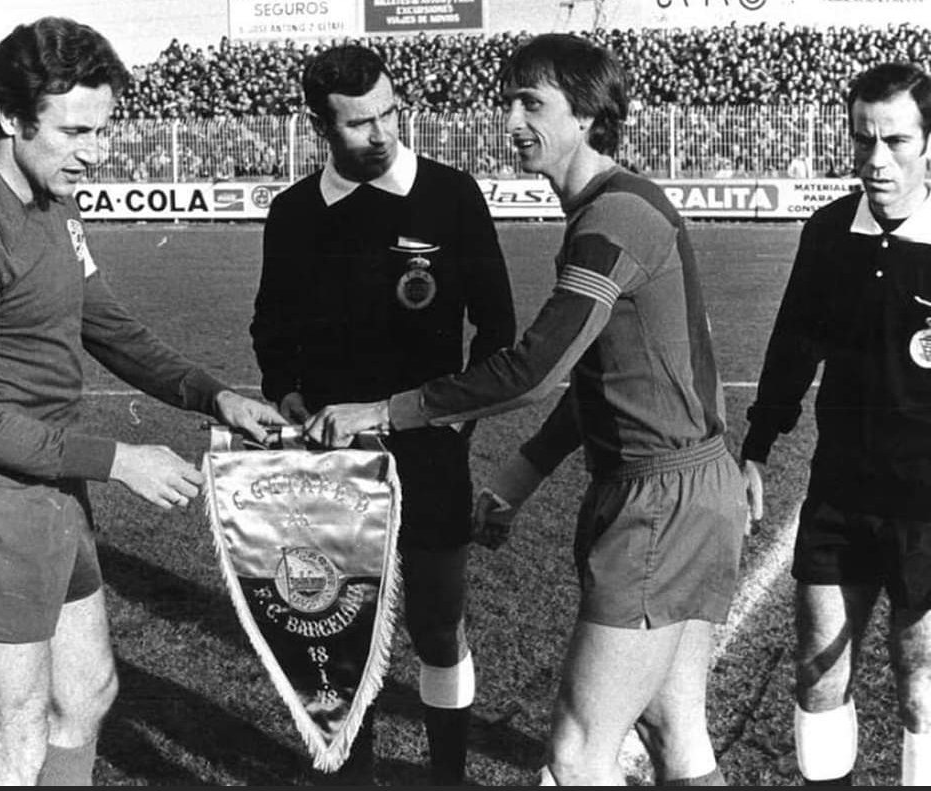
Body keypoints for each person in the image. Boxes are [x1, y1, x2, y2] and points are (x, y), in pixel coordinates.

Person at [303, 33, 746, 786]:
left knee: (575, 754)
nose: (510, 119)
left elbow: (537, 367)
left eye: (531, 103)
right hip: (686, 493)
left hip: (661, 504)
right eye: (508, 99)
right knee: (677, 732)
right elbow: (606, 382)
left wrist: (384, 410)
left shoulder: (614, 219)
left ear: (588, 115)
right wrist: (519, 475)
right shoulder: (616, 207)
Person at [0, 17, 286, 786]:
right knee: (13, 741)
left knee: (88, 693)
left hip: (50, 491)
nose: (94, 153)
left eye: (101, 131)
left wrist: (215, 396)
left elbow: (107, 324)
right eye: (75, 132)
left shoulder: (52, 199)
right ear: (11, 117)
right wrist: (120, 459)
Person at [249, 44, 516, 784]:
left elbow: (497, 328)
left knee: (437, 625)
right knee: (341, 632)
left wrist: (459, 421)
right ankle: (352, 774)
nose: (382, 132)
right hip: (330, 460)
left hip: (428, 454)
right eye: (359, 122)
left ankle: (449, 774)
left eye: (390, 113)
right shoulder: (294, 213)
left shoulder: (451, 196)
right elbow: (270, 324)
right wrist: (285, 389)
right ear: (319, 126)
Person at [739, 62, 931, 786]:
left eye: (897, 141)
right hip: (841, 491)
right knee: (817, 672)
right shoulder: (827, 233)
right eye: (862, 140)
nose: (876, 160)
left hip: (926, 502)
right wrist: (755, 448)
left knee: (921, 685)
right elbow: (792, 347)